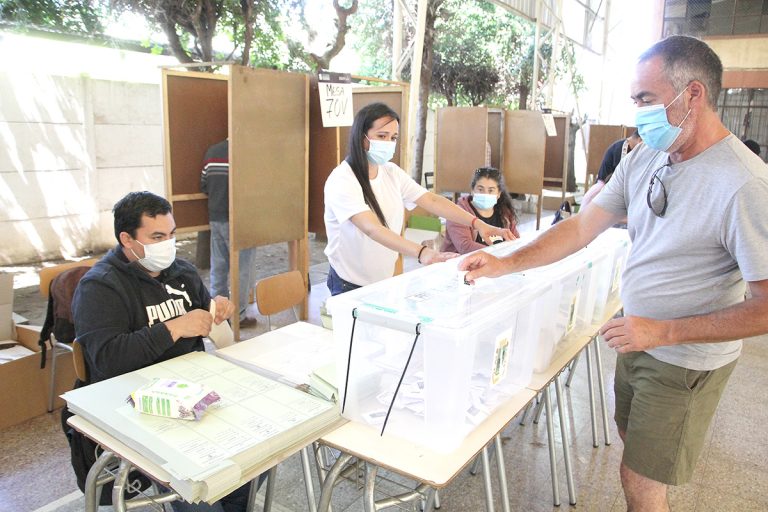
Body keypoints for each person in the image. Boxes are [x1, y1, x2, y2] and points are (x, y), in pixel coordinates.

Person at [459, 35, 768, 511]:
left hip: (684, 357)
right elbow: (583, 225)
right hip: (637, 337)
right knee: (634, 448)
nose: (638, 112)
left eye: (646, 99)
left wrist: (662, 331)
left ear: (693, 94)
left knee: (640, 482)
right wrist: (507, 262)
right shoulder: (645, 157)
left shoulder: (744, 184)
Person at [67, 191, 252, 511]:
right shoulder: (100, 286)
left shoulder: (182, 273)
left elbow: (205, 315)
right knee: (199, 491)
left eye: (171, 234)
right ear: (127, 239)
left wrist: (218, 309)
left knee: (249, 466)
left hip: (190, 390)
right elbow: (108, 360)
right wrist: (174, 328)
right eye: (156, 237)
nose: (167, 244)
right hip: (133, 403)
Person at [324, 102, 515, 296]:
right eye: (382, 136)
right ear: (361, 137)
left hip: (383, 280)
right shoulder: (342, 180)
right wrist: (423, 253)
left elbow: (432, 201)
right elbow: (372, 228)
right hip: (349, 284)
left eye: (393, 138)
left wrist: (478, 223)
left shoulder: (391, 172)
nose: (388, 143)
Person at [200, 139, 256, 325]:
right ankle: (238, 317)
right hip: (243, 220)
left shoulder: (212, 152)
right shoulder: (248, 154)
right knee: (241, 269)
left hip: (215, 216)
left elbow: (204, 185)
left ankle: (219, 316)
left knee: (219, 266)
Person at [441, 167, 520, 254]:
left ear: (498, 194)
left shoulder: (505, 213)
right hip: (462, 263)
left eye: (491, 190)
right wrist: (498, 254)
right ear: (472, 190)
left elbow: (515, 240)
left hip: (497, 263)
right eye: (480, 189)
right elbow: (465, 247)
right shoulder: (459, 213)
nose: (485, 194)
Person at [581, 131, 642, 210]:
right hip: (604, 183)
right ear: (640, 140)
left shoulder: (632, 150)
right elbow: (619, 174)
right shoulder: (620, 147)